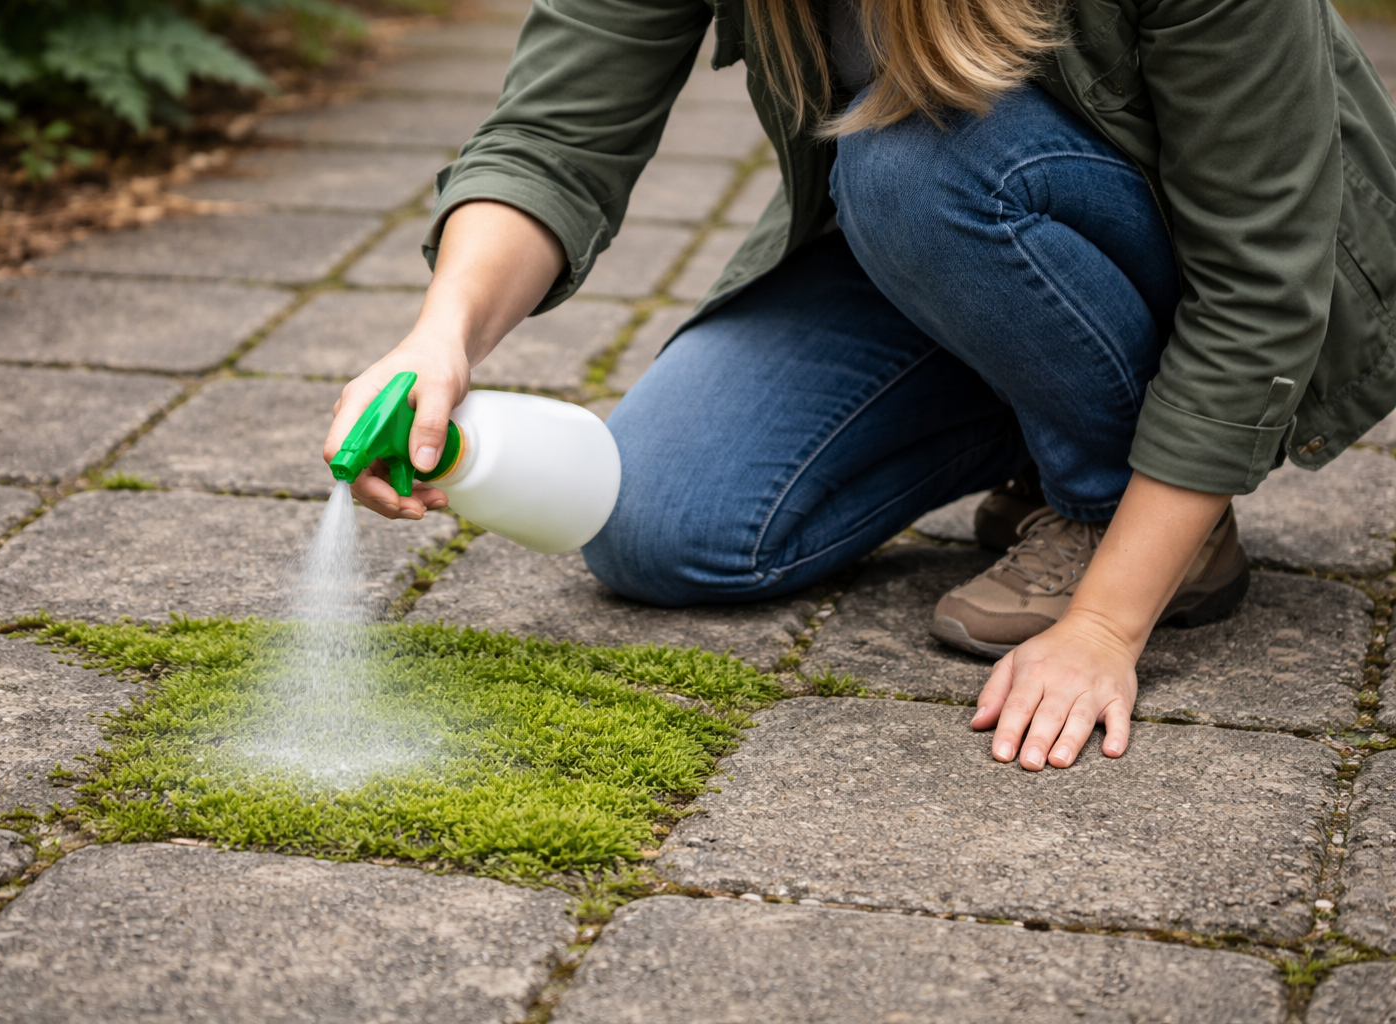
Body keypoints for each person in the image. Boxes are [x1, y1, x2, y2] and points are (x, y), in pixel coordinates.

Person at [324, 0, 1396, 771]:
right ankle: (1038, 393)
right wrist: (442, 333)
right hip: (942, 241)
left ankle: (1127, 505)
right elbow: (558, 134)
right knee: (657, 522)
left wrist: (1107, 628)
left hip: (1160, 258)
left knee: (913, 167)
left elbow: (1261, 287)